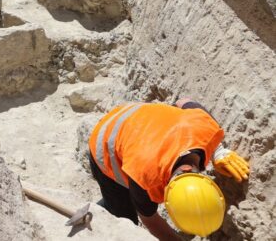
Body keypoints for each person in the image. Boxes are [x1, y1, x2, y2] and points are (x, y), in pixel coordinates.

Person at [88, 99, 249, 240]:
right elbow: (150, 219)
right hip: (105, 138)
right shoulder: (145, 178)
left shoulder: (206, 128)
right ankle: (101, 210)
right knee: (125, 219)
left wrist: (218, 150)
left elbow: (183, 101)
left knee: (130, 201)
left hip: (139, 120)